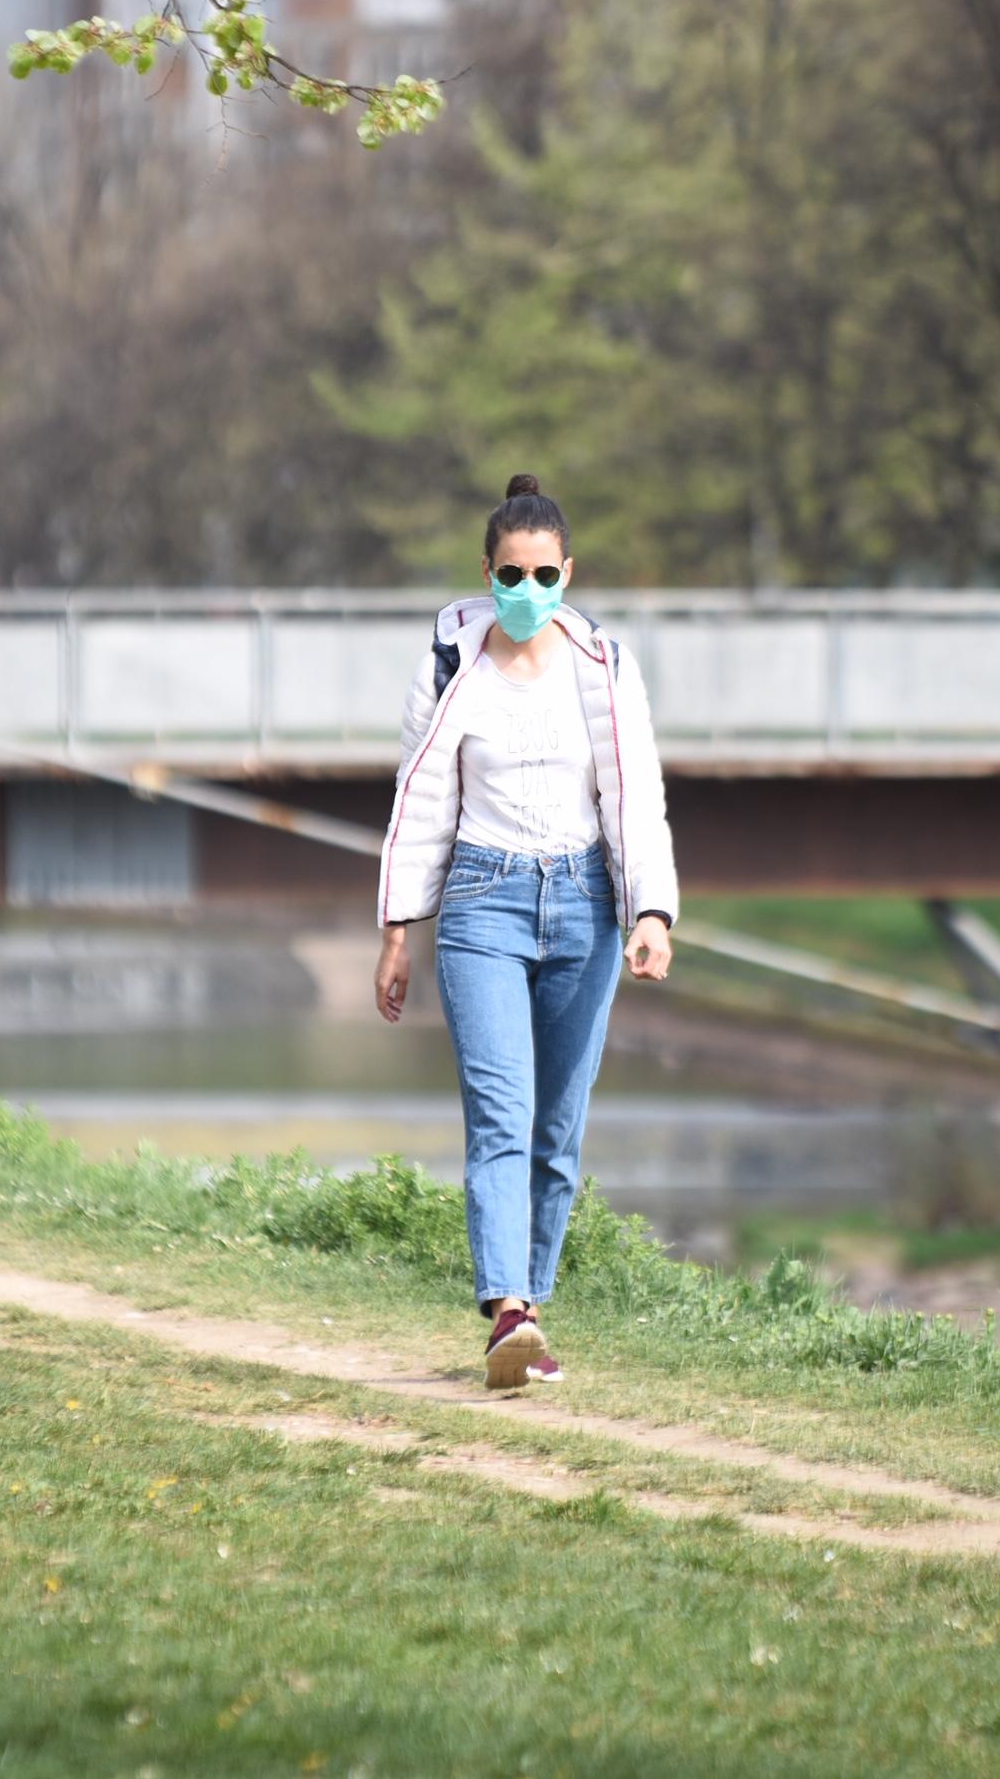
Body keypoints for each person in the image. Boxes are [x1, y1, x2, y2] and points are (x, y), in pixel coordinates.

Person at [373, 474, 680, 1390]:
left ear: (569, 573)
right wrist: (397, 931)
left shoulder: (604, 666)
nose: (529, 592)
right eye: (512, 574)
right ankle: (508, 1306)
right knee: (501, 1116)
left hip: (584, 904)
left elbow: (637, 792)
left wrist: (652, 910)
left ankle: (530, 1312)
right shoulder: (449, 660)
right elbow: (419, 800)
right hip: (481, 903)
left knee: (558, 1128)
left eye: (546, 576)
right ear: (487, 571)